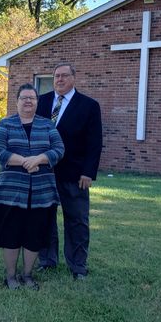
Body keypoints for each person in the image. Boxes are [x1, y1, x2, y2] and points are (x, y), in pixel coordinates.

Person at [0, 83, 64, 290]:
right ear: (17, 101)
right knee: (11, 235)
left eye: (32, 97)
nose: (28, 101)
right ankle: (11, 276)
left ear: (37, 102)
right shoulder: (5, 124)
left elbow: (59, 149)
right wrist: (25, 161)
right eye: (24, 97)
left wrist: (40, 159)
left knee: (34, 236)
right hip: (11, 191)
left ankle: (28, 275)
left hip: (41, 192)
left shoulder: (48, 125)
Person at [37, 63, 102, 280]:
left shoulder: (89, 106)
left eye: (65, 75)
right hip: (44, 173)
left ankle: (78, 266)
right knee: (45, 218)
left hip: (75, 175)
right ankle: (47, 260)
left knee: (77, 221)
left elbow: (94, 143)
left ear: (74, 78)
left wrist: (88, 172)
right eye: (56, 76)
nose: (60, 79)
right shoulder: (42, 102)